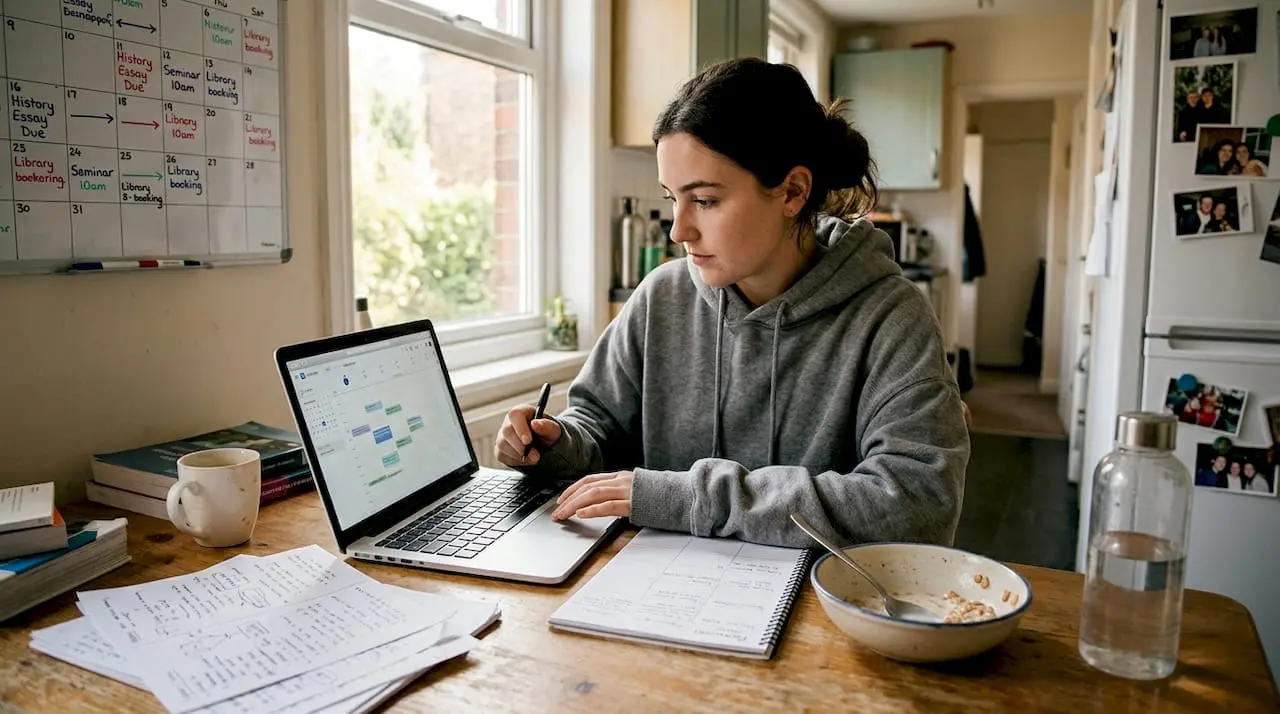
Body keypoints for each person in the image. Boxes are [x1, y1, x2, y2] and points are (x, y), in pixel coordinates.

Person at [493, 58, 970, 549]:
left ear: (792, 192)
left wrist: (691, 498)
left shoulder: (890, 317)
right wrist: (555, 443)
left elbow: (917, 504)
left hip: (817, 605)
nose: (679, 230)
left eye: (704, 200)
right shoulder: (661, 296)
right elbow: (597, 425)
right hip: (657, 589)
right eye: (671, 199)